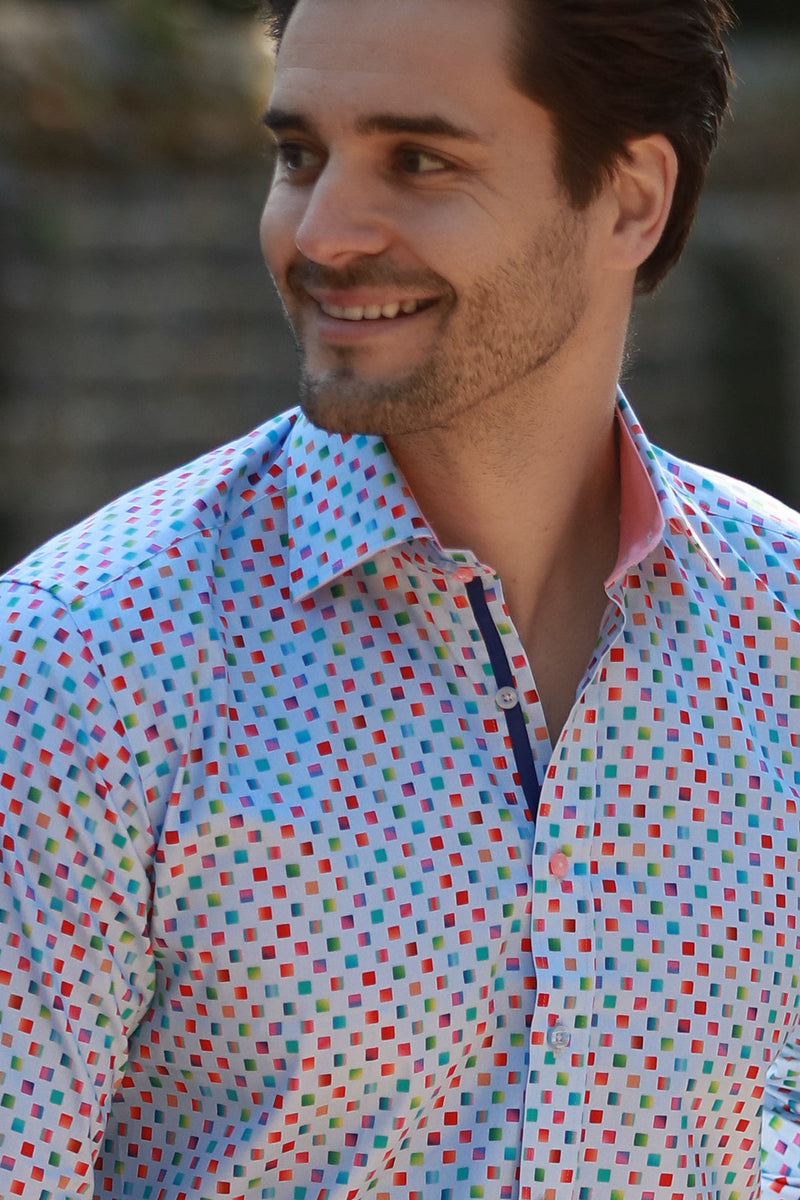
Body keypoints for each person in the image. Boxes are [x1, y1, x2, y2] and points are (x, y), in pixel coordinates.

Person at [0, 0, 798, 1196]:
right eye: (298, 156)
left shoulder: (779, 628)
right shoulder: (80, 664)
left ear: (629, 199)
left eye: (419, 160)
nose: (319, 233)